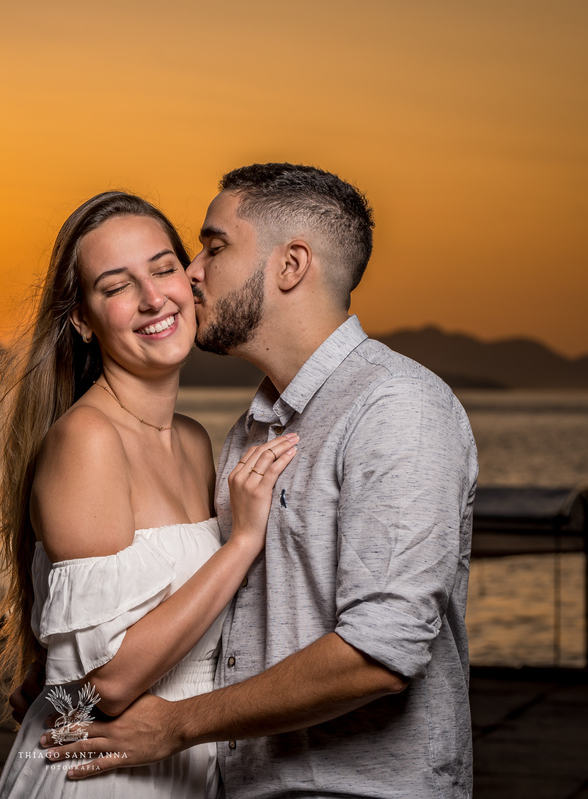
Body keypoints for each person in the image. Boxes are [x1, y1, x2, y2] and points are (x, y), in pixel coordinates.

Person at [35, 164, 479, 797]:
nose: (190, 273)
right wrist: (67, 688)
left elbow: (384, 652)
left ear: (290, 266)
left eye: (214, 248)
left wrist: (182, 724)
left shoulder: (396, 408)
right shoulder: (251, 428)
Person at [0, 191, 299, 797]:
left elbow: (84, 673)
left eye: (162, 269)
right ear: (81, 318)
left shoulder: (193, 442)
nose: (154, 298)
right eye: (116, 286)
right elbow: (107, 684)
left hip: (187, 763)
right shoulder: (88, 440)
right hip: (106, 777)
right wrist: (243, 542)